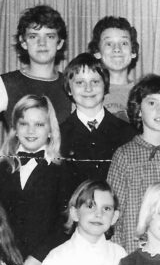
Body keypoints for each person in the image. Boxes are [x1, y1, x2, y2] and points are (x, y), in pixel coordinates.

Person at [0, 94, 76, 265]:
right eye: (24, 123)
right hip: (4, 260)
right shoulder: (0, 169)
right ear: (15, 129)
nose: (31, 130)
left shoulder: (62, 171)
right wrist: (1, 254)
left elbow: (67, 221)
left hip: (43, 263)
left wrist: (39, 256)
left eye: (39, 124)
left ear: (51, 130)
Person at [106, 74, 160, 253]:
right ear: (138, 109)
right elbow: (114, 211)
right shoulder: (124, 155)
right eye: (152, 103)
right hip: (133, 253)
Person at [0, 4, 71, 142]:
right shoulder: (6, 83)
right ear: (23, 42)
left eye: (49, 36)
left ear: (59, 43)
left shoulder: (71, 84)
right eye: (34, 36)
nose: (42, 43)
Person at [57, 53, 135, 185]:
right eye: (80, 82)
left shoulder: (128, 133)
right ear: (69, 89)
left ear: (105, 86)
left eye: (95, 81)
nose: (88, 88)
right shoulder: (58, 135)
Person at [88, 16, 140, 120]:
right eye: (109, 44)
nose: (117, 49)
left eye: (124, 43)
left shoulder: (143, 92)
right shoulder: (87, 91)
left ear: (133, 51)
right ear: (97, 52)